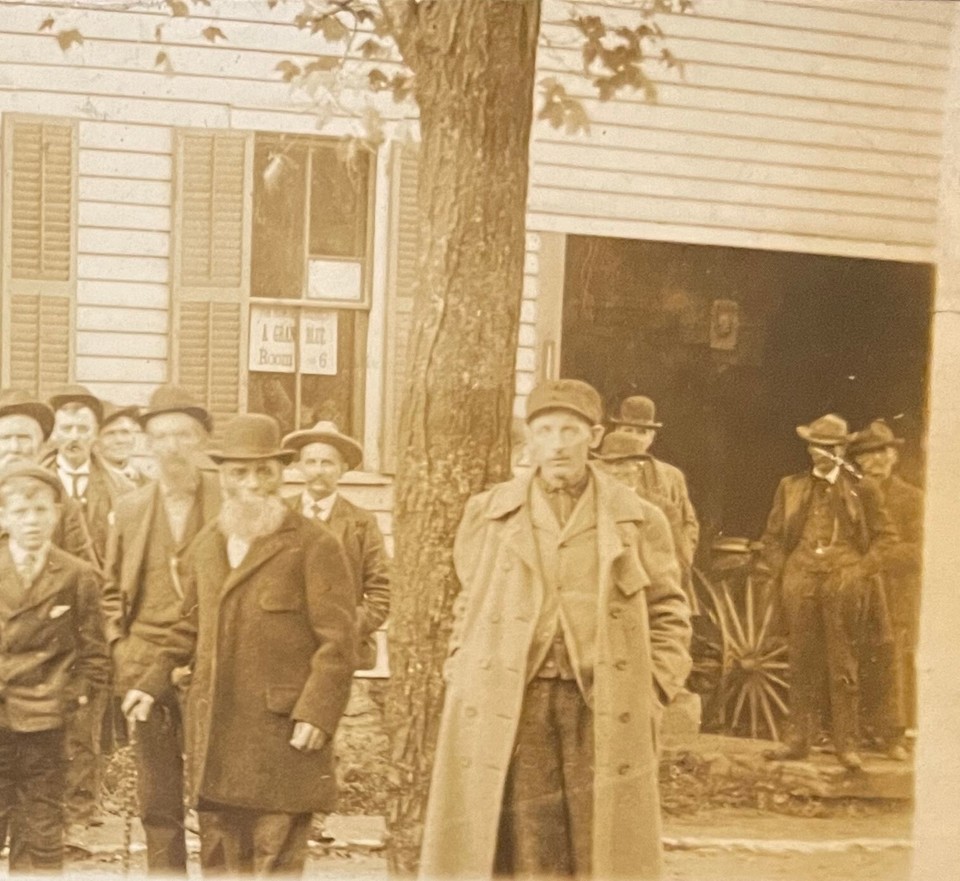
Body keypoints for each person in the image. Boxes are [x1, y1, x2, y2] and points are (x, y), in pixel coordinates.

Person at [420, 379, 692, 880]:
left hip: (602, 702)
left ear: (595, 437)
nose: (558, 444)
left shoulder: (638, 518)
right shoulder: (490, 513)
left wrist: (655, 685)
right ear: (530, 439)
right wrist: (461, 667)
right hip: (516, 700)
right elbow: (469, 600)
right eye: (545, 431)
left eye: (571, 430)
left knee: (599, 843)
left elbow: (670, 609)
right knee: (527, 844)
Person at [122, 413, 357, 877]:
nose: (251, 484)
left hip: (282, 739)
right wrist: (150, 682)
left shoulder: (314, 544)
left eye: (263, 471)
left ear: (281, 473)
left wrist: (317, 712)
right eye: (239, 473)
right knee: (219, 863)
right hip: (217, 739)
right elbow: (187, 627)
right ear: (223, 477)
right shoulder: (208, 544)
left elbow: (338, 642)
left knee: (272, 863)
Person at [101, 385, 221, 875]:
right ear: (148, 445)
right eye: (162, 437)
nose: (172, 447)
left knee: (216, 788)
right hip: (145, 662)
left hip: (211, 660)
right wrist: (121, 648)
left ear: (202, 442)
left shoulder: (227, 501)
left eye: (183, 435)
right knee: (157, 793)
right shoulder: (131, 508)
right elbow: (111, 590)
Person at [756, 414, 897, 771]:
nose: (820, 454)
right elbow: (771, 538)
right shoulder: (790, 487)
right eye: (815, 446)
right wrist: (785, 571)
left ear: (842, 450)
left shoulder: (863, 488)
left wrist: (859, 571)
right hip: (801, 580)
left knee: (843, 663)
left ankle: (846, 745)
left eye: (829, 447)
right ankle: (797, 741)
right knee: (800, 660)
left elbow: (886, 538)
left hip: (843, 582)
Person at [40, 385, 139, 848]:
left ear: (96, 434)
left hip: (96, 619)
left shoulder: (122, 489)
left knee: (88, 719)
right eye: (66, 428)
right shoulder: (35, 483)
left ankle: (80, 815)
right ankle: (42, 811)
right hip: (41, 618)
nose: (74, 437)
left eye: (83, 428)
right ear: (54, 433)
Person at [0, 462, 109, 873]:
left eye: (41, 511)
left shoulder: (76, 575)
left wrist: (71, 700)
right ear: (3, 517)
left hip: (45, 719)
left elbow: (95, 655)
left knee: (42, 827)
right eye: (20, 512)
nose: (32, 521)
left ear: (57, 515)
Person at [281, 421, 390, 673]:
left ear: (343, 469)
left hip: (341, 651)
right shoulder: (279, 516)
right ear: (299, 467)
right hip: (284, 649)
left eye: (328, 463)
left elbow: (383, 592)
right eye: (311, 462)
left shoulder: (362, 523)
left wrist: (345, 627)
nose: (318, 471)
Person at [851, 419, 923, 759]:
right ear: (858, 460)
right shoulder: (852, 496)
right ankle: (859, 731)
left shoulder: (912, 498)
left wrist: (876, 559)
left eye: (883, 452)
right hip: (857, 590)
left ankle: (894, 735)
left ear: (894, 456)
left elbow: (920, 549)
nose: (876, 459)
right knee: (856, 657)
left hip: (895, 591)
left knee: (893, 660)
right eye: (868, 454)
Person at [610, 396, 700, 612]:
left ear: (652, 437)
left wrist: (679, 561)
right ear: (617, 430)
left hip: (662, 571)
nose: (635, 438)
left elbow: (688, 524)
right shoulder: (601, 470)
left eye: (642, 432)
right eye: (628, 430)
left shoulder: (671, 476)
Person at [0, 389, 96, 565]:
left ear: (41, 444)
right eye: (5, 438)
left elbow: (84, 567)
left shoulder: (58, 497)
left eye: (24, 438)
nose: (15, 447)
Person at [96, 403, 148, 487]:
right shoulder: (88, 480)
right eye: (110, 433)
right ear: (96, 440)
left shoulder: (147, 481)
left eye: (125, 432)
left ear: (134, 437)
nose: (119, 440)